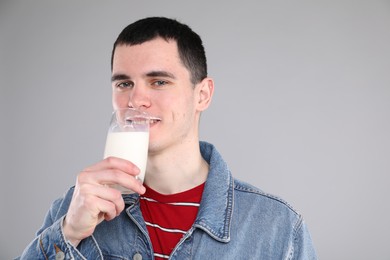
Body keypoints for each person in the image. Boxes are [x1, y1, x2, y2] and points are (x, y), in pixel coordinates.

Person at [19, 17, 317, 259]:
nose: (136, 100)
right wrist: (68, 232)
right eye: (124, 83)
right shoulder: (74, 208)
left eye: (158, 81)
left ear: (202, 95)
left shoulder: (278, 228)